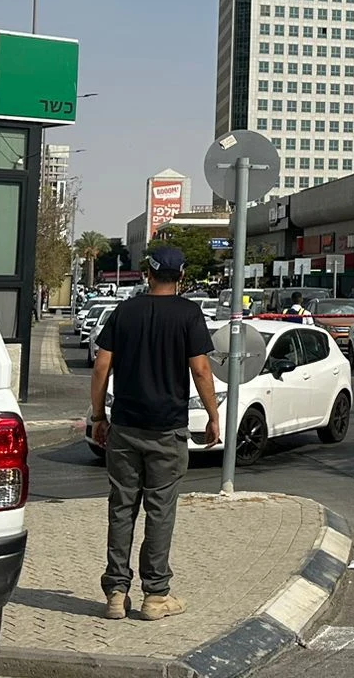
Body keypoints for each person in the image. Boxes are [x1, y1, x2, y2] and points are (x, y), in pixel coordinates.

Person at [90, 245, 221, 621]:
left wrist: (99, 415)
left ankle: (116, 593)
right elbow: (201, 371)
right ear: (180, 277)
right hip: (167, 430)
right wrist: (213, 416)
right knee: (160, 512)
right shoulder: (188, 314)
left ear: (148, 273)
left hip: (125, 427)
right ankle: (155, 596)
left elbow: (101, 367)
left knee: (121, 508)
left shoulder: (124, 312)